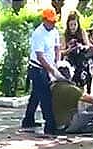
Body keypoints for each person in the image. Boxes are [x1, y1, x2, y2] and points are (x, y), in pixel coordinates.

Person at [20, 8, 65, 136]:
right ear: (44, 20)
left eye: (54, 22)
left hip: (49, 66)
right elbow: (40, 56)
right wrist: (52, 70)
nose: (53, 24)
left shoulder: (54, 31)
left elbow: (57, 48)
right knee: (45, 97)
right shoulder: (38, 34)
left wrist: (57, 62)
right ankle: (50, 125)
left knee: (36, 95)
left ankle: (28, 120)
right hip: (38, 68)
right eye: (50, 22)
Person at [51, 62, 93, 134]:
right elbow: (92, 100)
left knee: (92, 117)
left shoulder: (53, 87)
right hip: (68, 123)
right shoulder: (70, 88)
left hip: (58, 124)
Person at [62, 12, 93, 90]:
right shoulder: (65, 34)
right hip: (71, 59)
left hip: (82, 58)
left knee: (86, 76)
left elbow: (88, 46)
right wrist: (69, 49)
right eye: (71, 25)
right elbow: (62, 50)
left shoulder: (82, 32)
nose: (73, 27)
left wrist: (81, 46)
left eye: (75, 24)